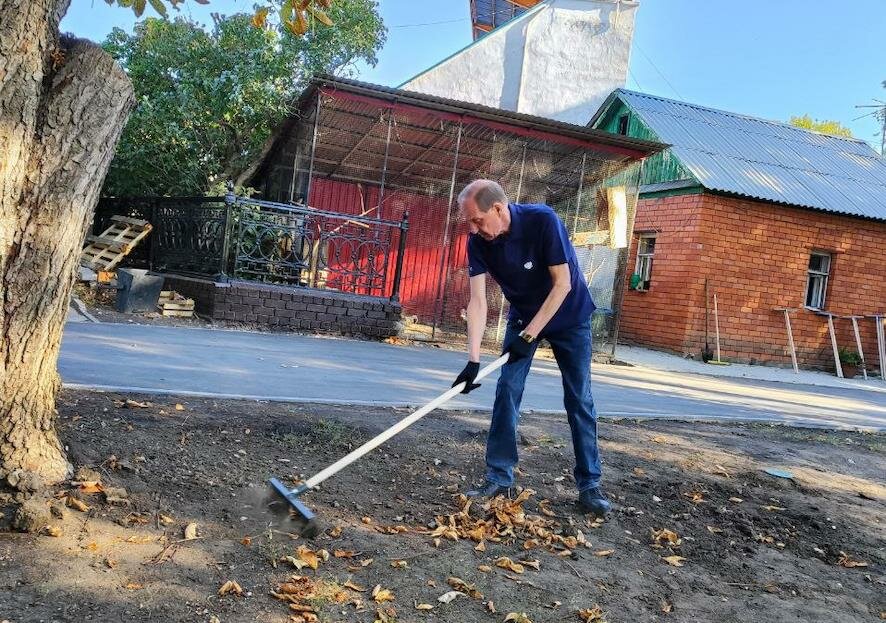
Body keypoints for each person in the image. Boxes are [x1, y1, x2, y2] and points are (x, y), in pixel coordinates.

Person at [451, 179, 611, 517]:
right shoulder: (479, 243)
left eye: (478, 220)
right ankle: (499, 477)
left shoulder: (542, 220)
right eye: (469, 222)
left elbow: (563, 284)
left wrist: (530, 337)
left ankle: (589, 485)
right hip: (524, 317)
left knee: (579, 397)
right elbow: (477, 302)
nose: (474, 228)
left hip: (570, 316)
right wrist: (473, 360)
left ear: (498, 208)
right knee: (507, 388)